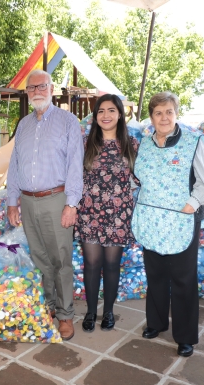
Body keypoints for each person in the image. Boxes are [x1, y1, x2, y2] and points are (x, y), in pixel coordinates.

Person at [131, 92, 204, 357]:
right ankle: (156, 323)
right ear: (151, 117)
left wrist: (192, 203)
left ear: (176, 114)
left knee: (182, 279)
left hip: (182, 220)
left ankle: (185, 336)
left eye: (169, 112)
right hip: (152, 219)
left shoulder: (193, 142)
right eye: (158, 112)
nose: (164, 117)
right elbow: (140, 177)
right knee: (155, 275)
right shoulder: (143, 144)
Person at [7, 69, 84, 340]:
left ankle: (65, 315)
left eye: (42, 86)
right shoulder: (23, 125)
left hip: (57, 199)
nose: (37, 91)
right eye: (31, 88)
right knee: (40, 260)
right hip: (28, 202)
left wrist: (71, 204)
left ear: (51, 89)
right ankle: (48, 307)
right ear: (27, 93)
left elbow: (76, 165)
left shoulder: (68, 122)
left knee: (61, 260)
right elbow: (14, 166)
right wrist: (12, 202)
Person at [76, 94, 139, 333]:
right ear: (95, 116)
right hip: (89, 213)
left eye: (111, 110)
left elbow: (139, 178)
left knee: (112, 264)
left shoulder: (131, 145)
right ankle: (91, 312)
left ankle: (109, 312)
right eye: (101, 111)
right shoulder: (85, 144)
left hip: (118, 215)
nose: (106, 115)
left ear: (120, 114)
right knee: (92, 263)